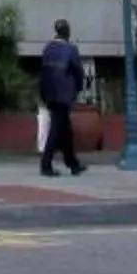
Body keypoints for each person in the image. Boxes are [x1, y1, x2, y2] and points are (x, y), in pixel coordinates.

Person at [37, 18, 87, 177]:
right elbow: (78, 72)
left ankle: (72, 163)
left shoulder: (48, 48)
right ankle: (46, 164)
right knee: (57, 129)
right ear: (67, 32)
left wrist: (43, 93)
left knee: (65, 130)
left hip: (50, 93)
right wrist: (78, 89)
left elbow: (43, 73)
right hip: (64, 94)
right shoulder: (71, 50)